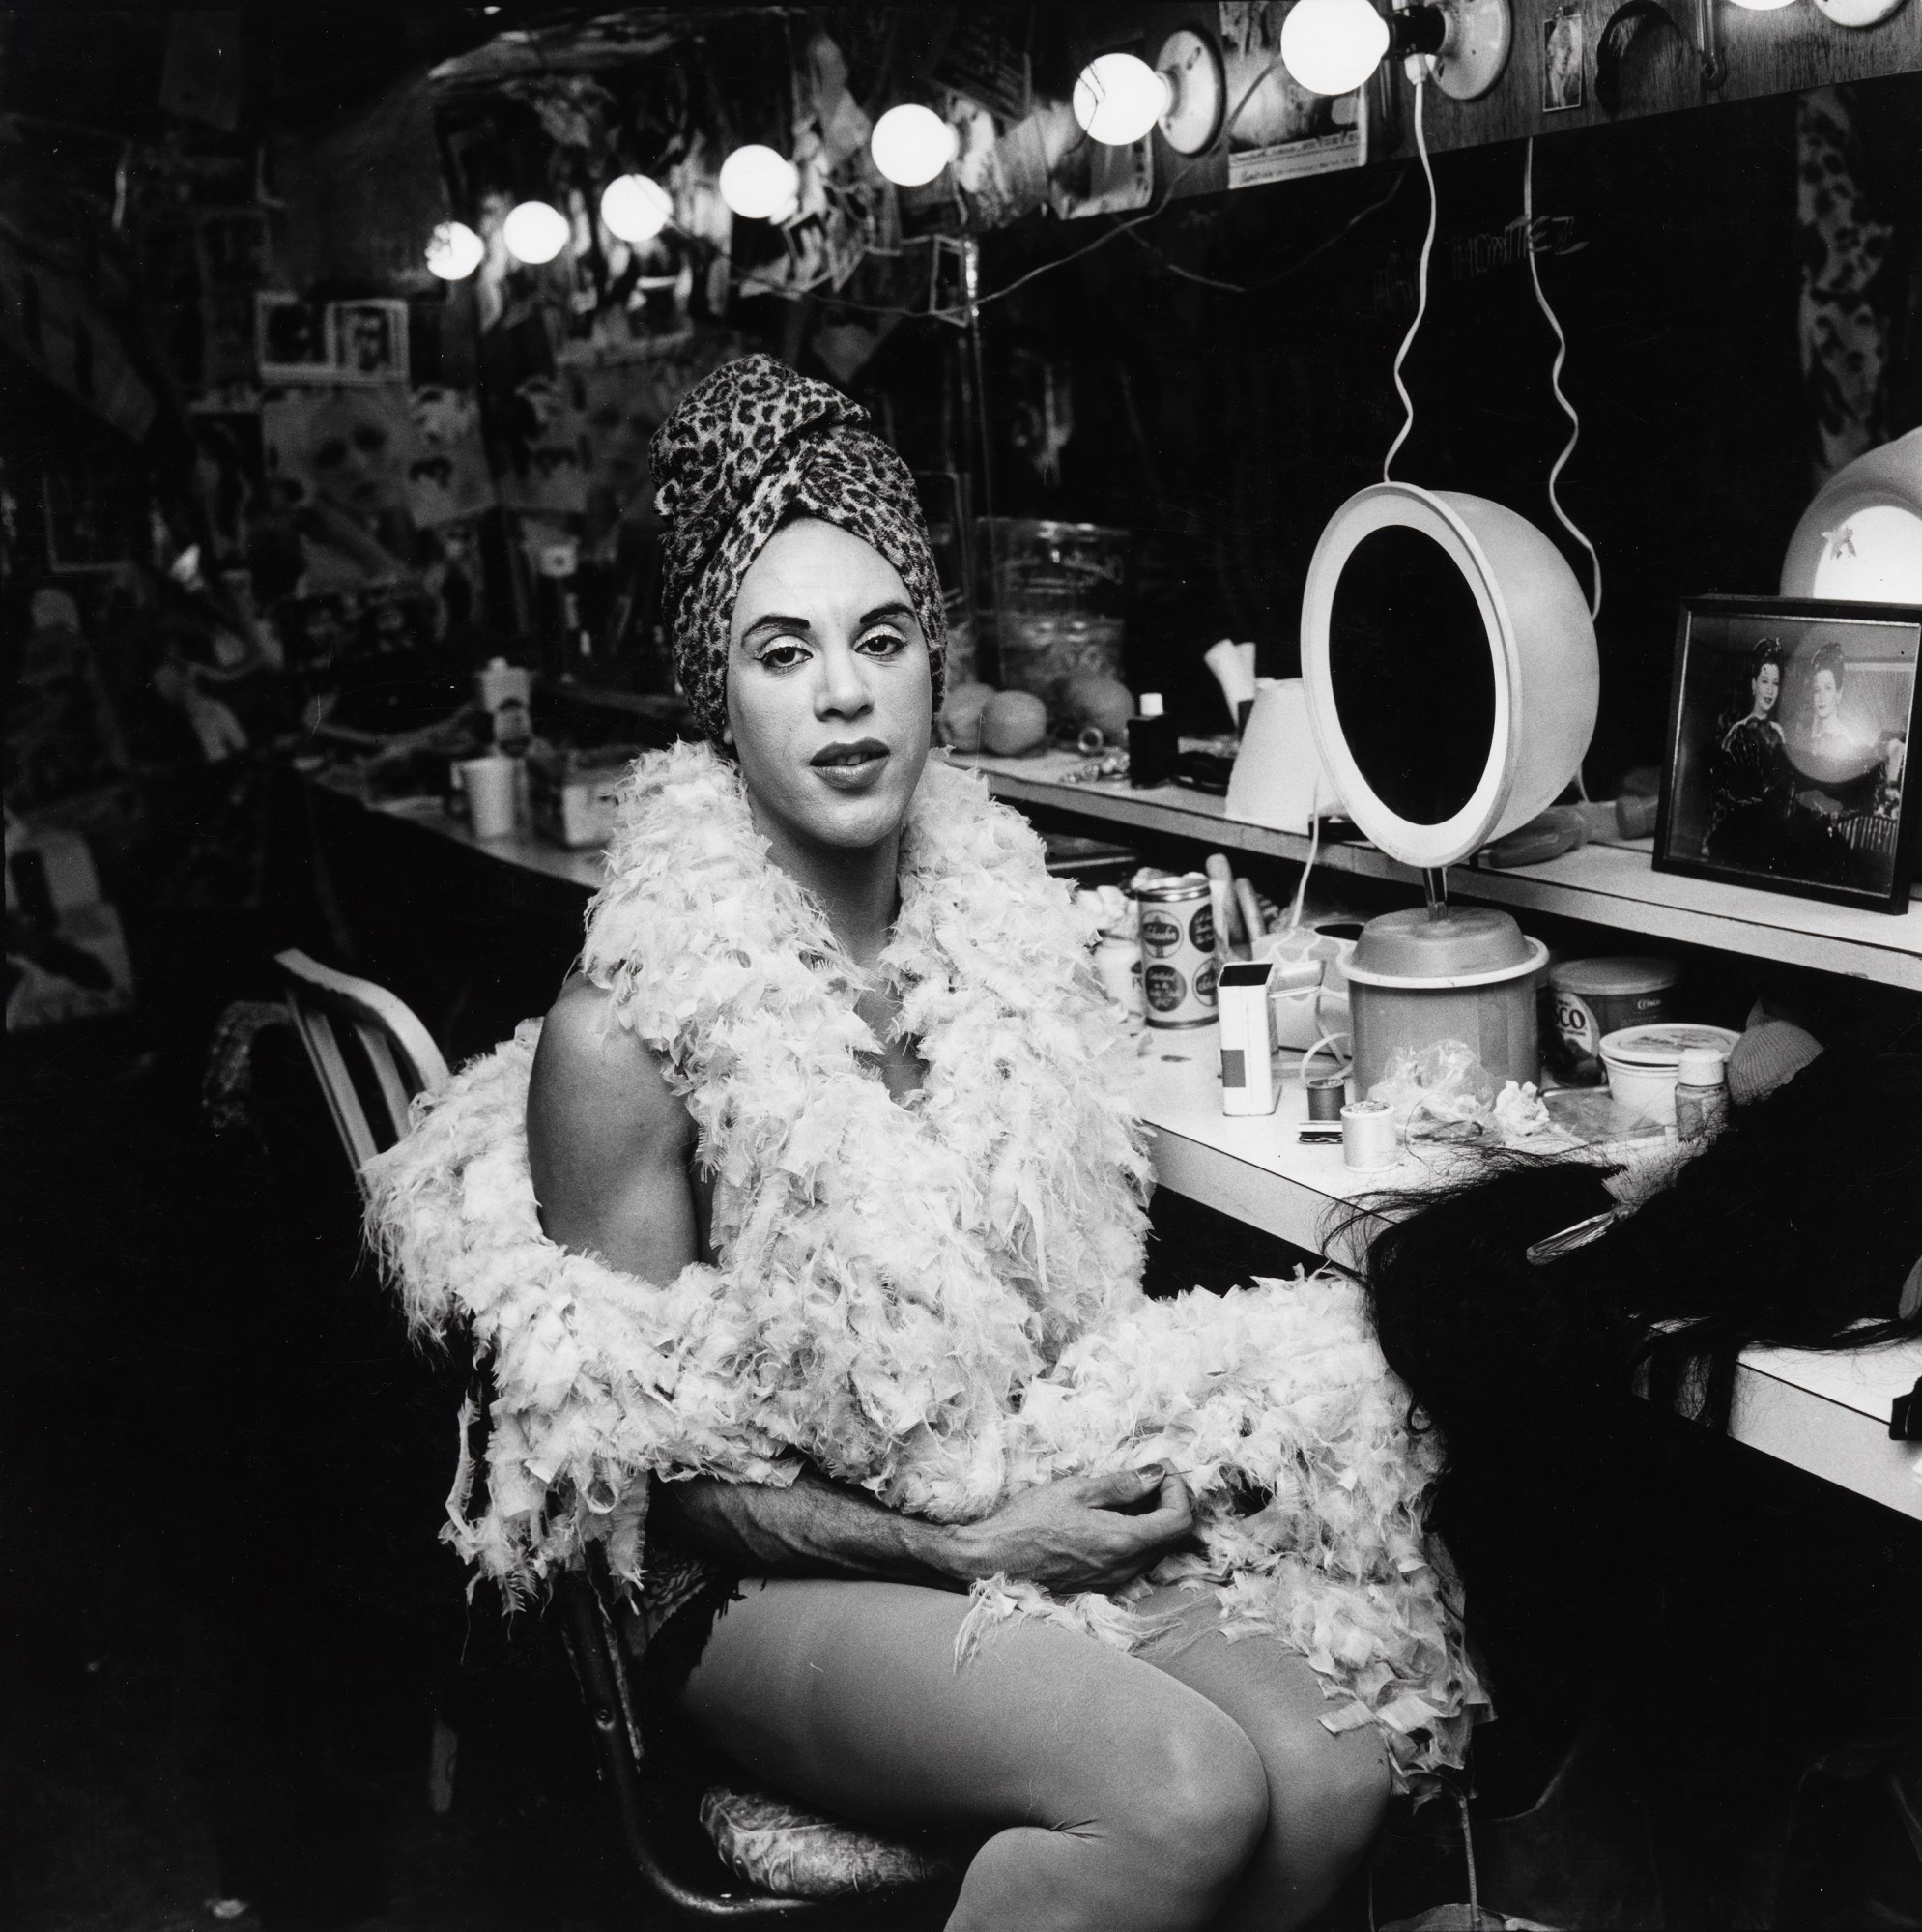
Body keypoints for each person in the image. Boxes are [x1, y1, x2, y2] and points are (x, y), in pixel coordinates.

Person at [366, 357, 1482, 1932]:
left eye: (879, 637)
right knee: (1178, 1788)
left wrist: (1041, 1493)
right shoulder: (623, 1034)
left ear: (930, 668)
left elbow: (1050, 1326)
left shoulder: (1008, 939)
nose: (840, 691)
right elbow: (645, 1490)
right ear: (716, 688)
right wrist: (966, 1541)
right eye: (782, 649)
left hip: (996, 1481)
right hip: (753, 1586)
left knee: (1336, 1757)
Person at [1703, 638, 1792, 867]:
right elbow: (1721, 790)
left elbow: (1784, 787)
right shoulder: (1737, 731)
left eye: (1775, 683)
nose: (1770, 690)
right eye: (1764, 681)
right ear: (1753, 685)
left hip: (1772, 831)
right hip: (1740, 831)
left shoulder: (1779, 734)